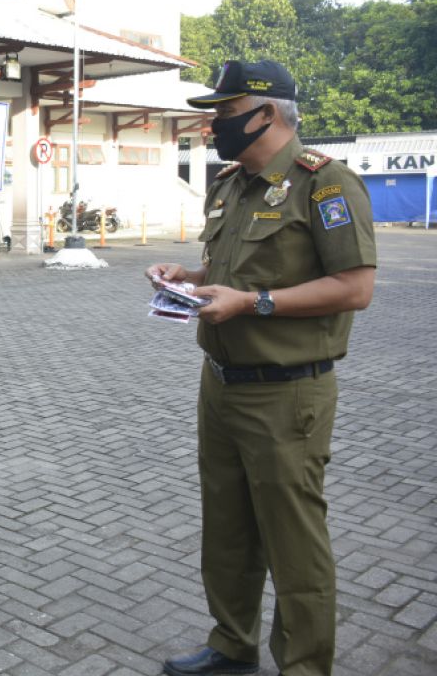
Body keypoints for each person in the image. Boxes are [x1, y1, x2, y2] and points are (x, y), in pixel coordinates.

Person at [148, 60, 376, 676]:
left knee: (293, 542)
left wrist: (254, 305)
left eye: (223, 114)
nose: (213, 126)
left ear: (266, 114)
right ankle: (231, 644)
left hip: (286, 395)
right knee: (226, 530)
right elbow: (232, 270)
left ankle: (304, 666)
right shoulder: (230, 184)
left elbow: (355, 287)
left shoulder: (324, 185)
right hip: (219, 386)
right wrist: (189, 277)